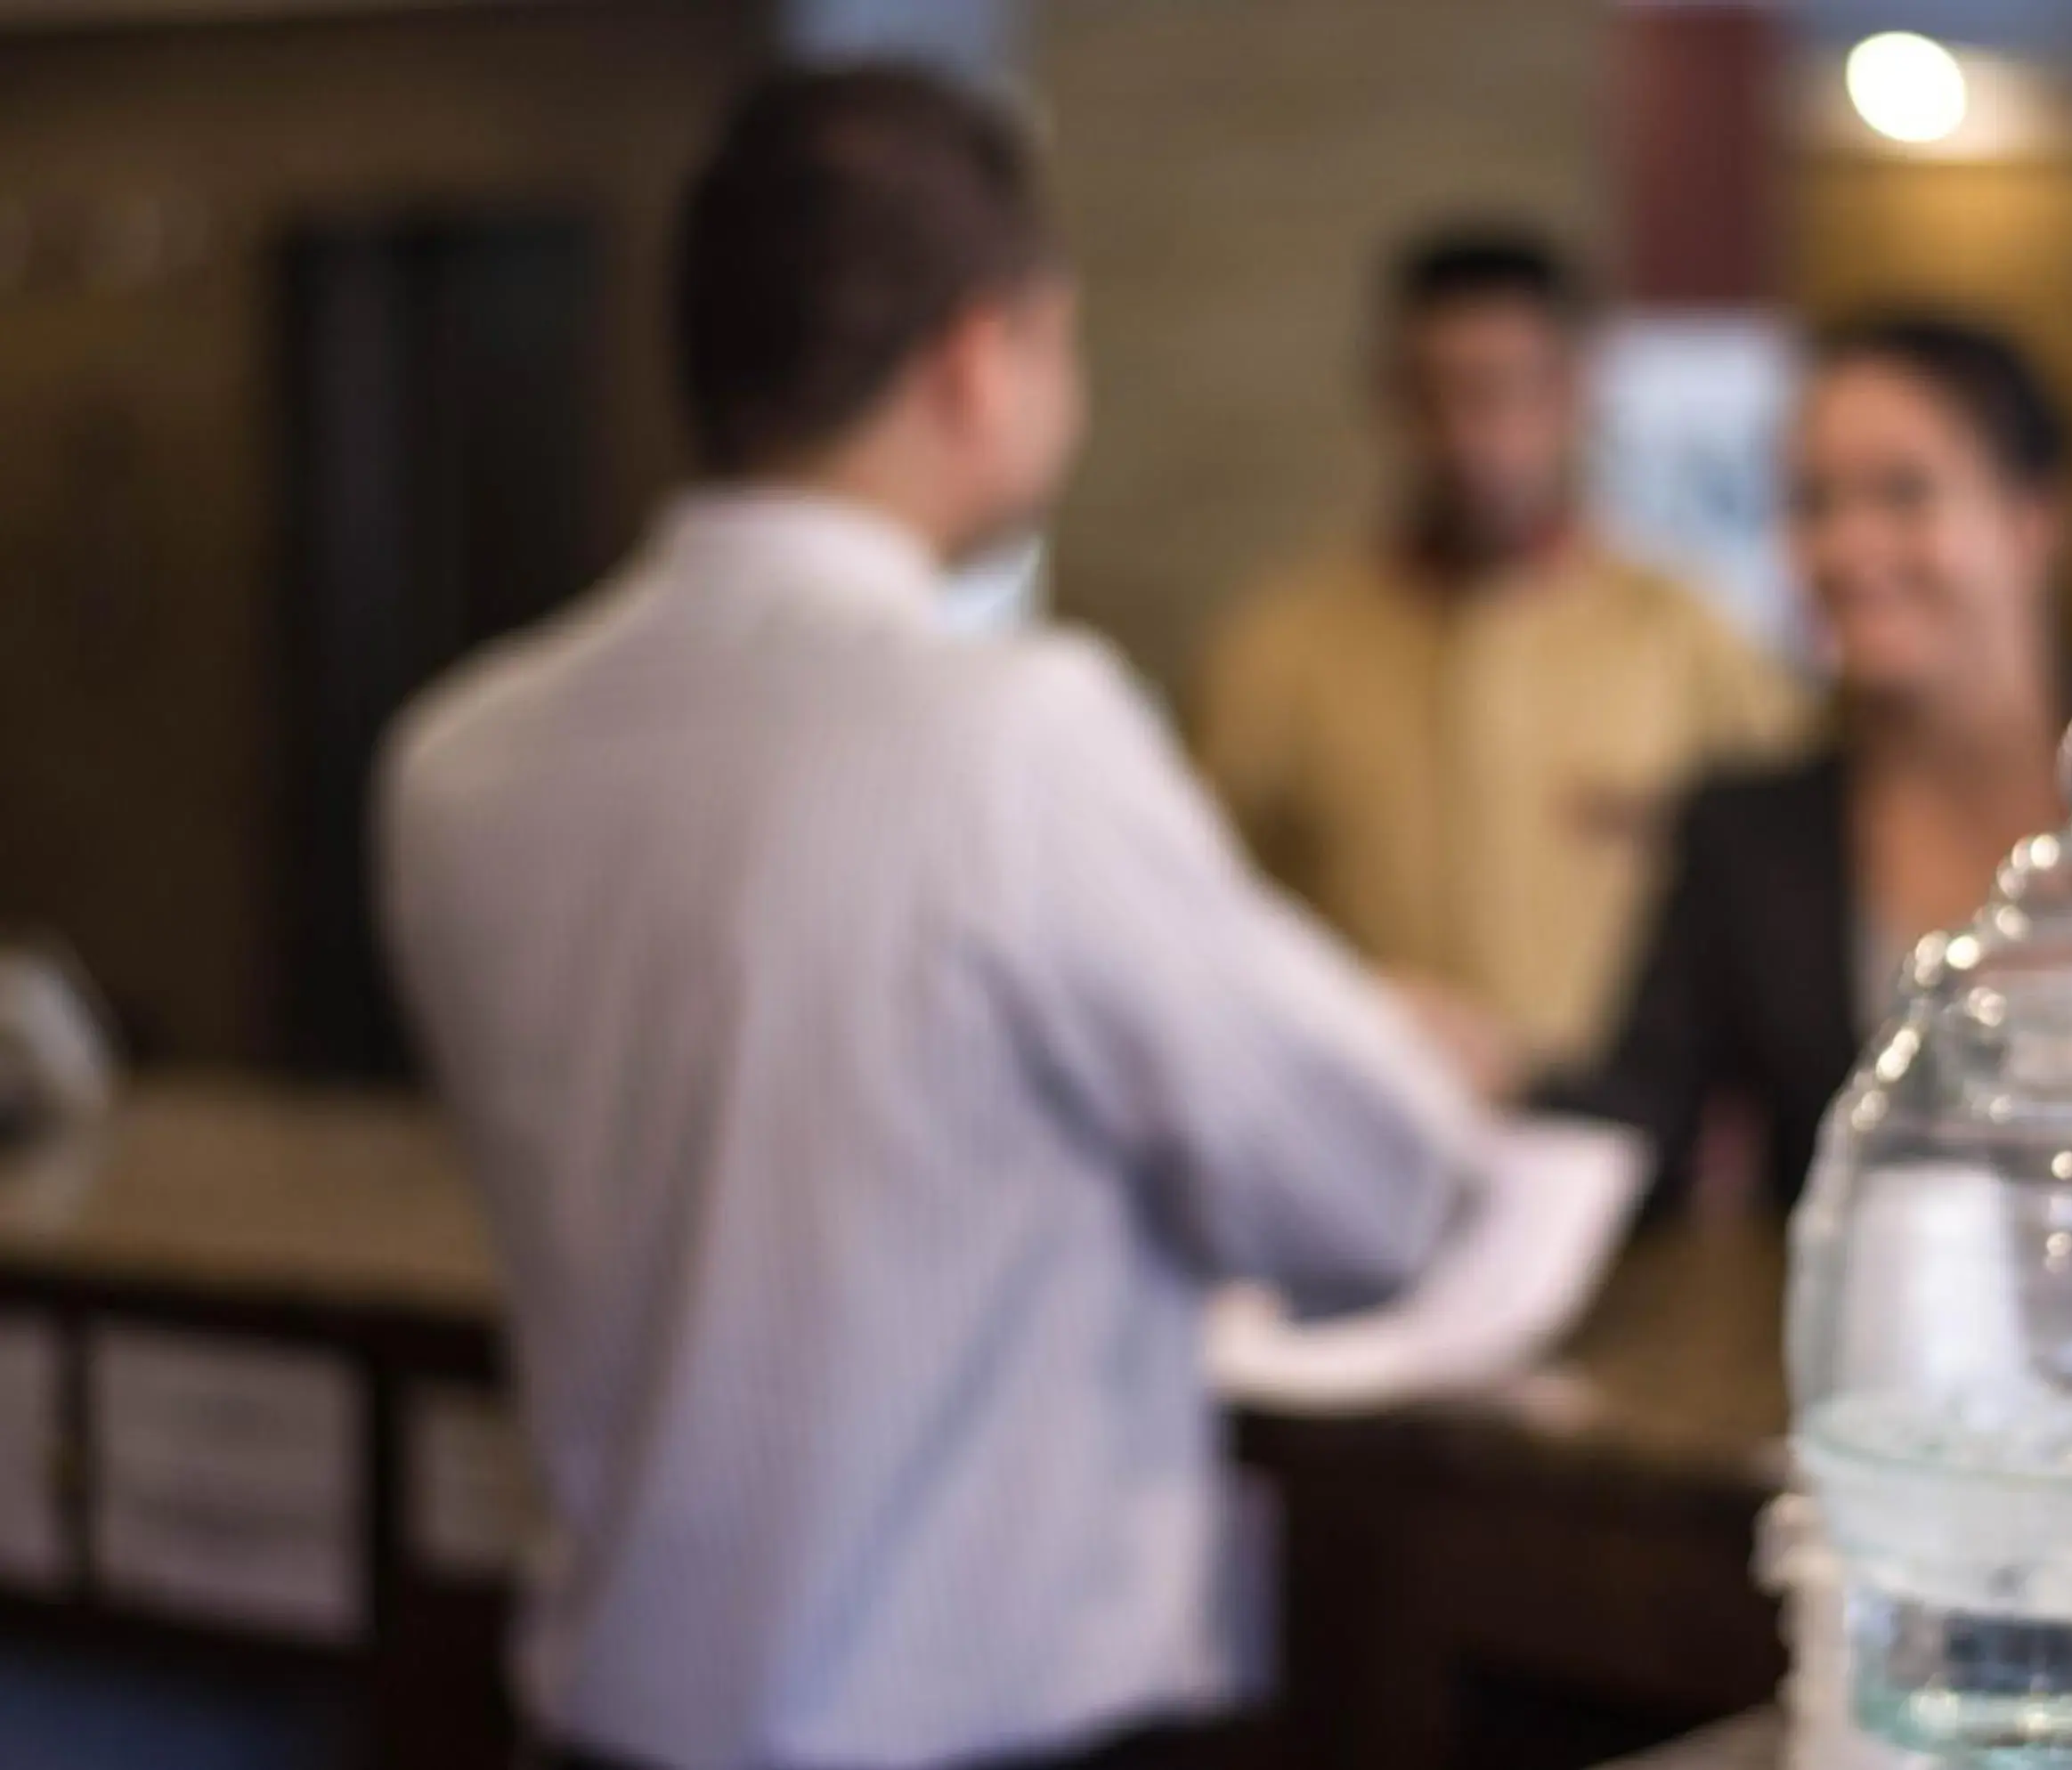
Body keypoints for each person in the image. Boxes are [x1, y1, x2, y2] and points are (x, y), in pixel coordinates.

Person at [378, 67, 1479, 1770]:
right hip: (975, 1730)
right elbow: (1363, 1194)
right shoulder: (1007, 730)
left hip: (599, 1719)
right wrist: (1412, 1050)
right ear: (981, 357)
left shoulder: (456, 756)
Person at [1555, 313, 2072, 1214]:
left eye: (1904, 495)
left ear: (2034, 518)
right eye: (1814, 502)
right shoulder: (1748, 830)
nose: (1849, 549)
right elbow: (1635, 1128)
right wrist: (1478, 1081)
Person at [1196, 223, 1808, 1079]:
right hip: (1359, 1125)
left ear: (1574, 396)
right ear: (1389, 401)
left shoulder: (1686, 641)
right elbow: (1208, 916)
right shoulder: (1282, 649)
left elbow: (1783, 913)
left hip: (1635, 1148)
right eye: (1435, 394)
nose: (1470, 437)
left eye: (1504, 392)